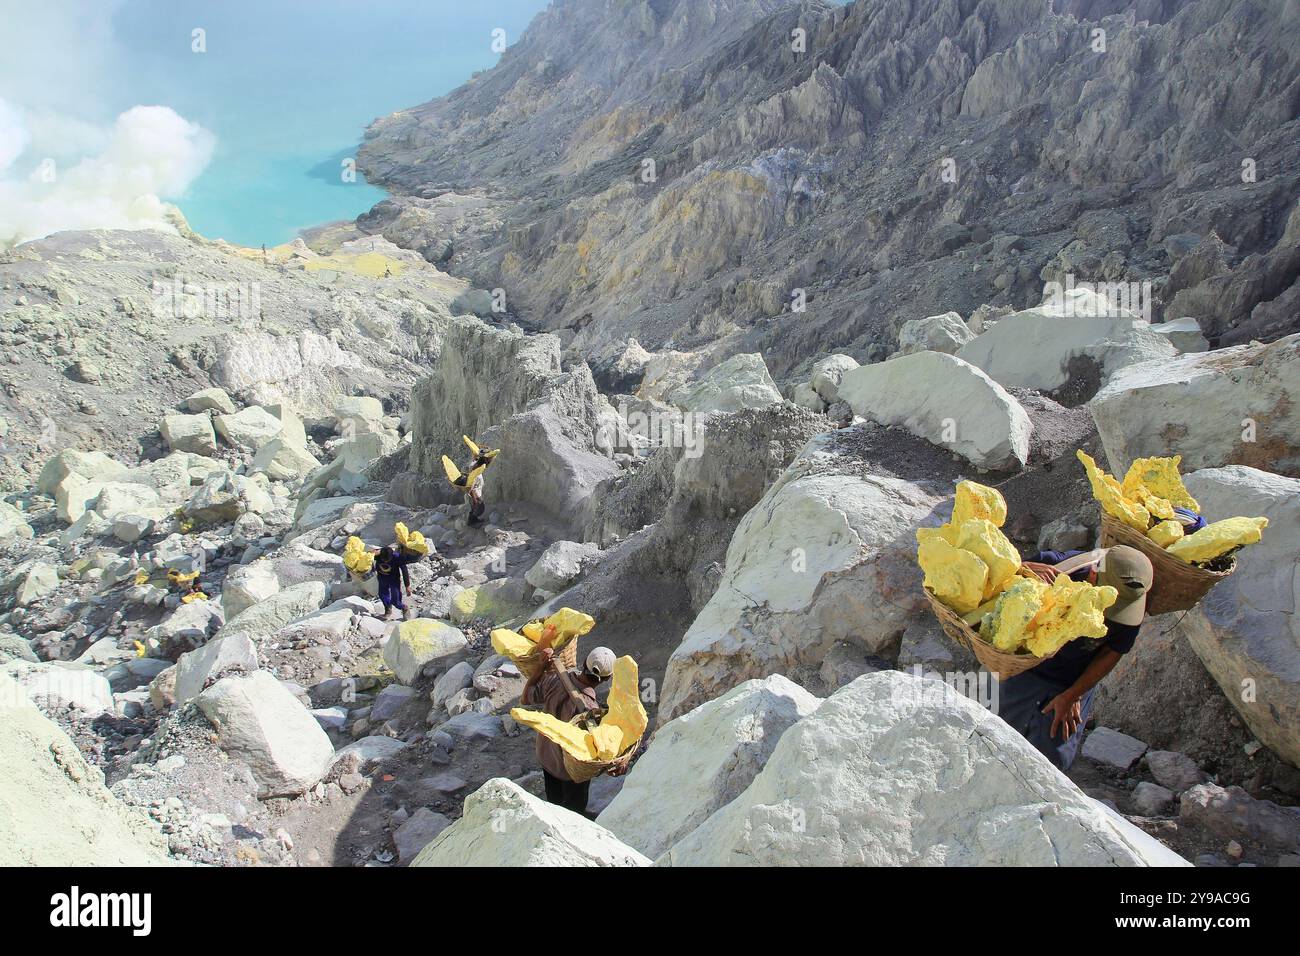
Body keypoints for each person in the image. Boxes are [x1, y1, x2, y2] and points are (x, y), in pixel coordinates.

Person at [998, 544, 1154, 770]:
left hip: (1072, 680)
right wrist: (1020, 569)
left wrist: (1073, 694)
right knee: (996, 734)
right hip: (1021, 671)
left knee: (1051, 761)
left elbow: (1112, 651)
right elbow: (990, 591)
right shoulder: (1056, 566)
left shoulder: (1131, 600)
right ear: (1092, 574)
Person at [520, 634, 618, 818]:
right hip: (571, 768)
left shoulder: (556, 680)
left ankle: (554, 816)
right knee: (574, 809)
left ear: (584, 663)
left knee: (554, 800)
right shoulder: (590, 710)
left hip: (547, 754)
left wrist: (540, 667)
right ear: (606, 679)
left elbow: (526, 698)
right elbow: (596, 751)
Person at [373, 545, 411, 620]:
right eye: (384, 559)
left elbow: (404, 571)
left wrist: (407, 586)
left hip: (394, 580)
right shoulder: (376, 555)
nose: (385, 561)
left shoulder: (397, 557)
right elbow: (365, 558)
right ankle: (388, 610)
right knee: (382, 595)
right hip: (382, 578)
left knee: (396, 600)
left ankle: (404, 608)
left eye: (387, 560)